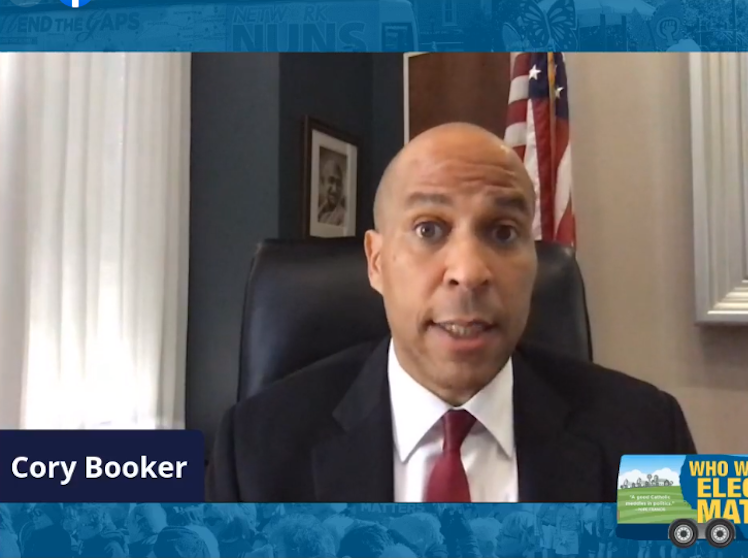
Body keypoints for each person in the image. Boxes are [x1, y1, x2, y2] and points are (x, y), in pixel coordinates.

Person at [205, 123, 697, 503]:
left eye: (503, 232)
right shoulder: (253, 452)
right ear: (376, 263)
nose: (468, 271)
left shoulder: (646, 435)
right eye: (428, 230)